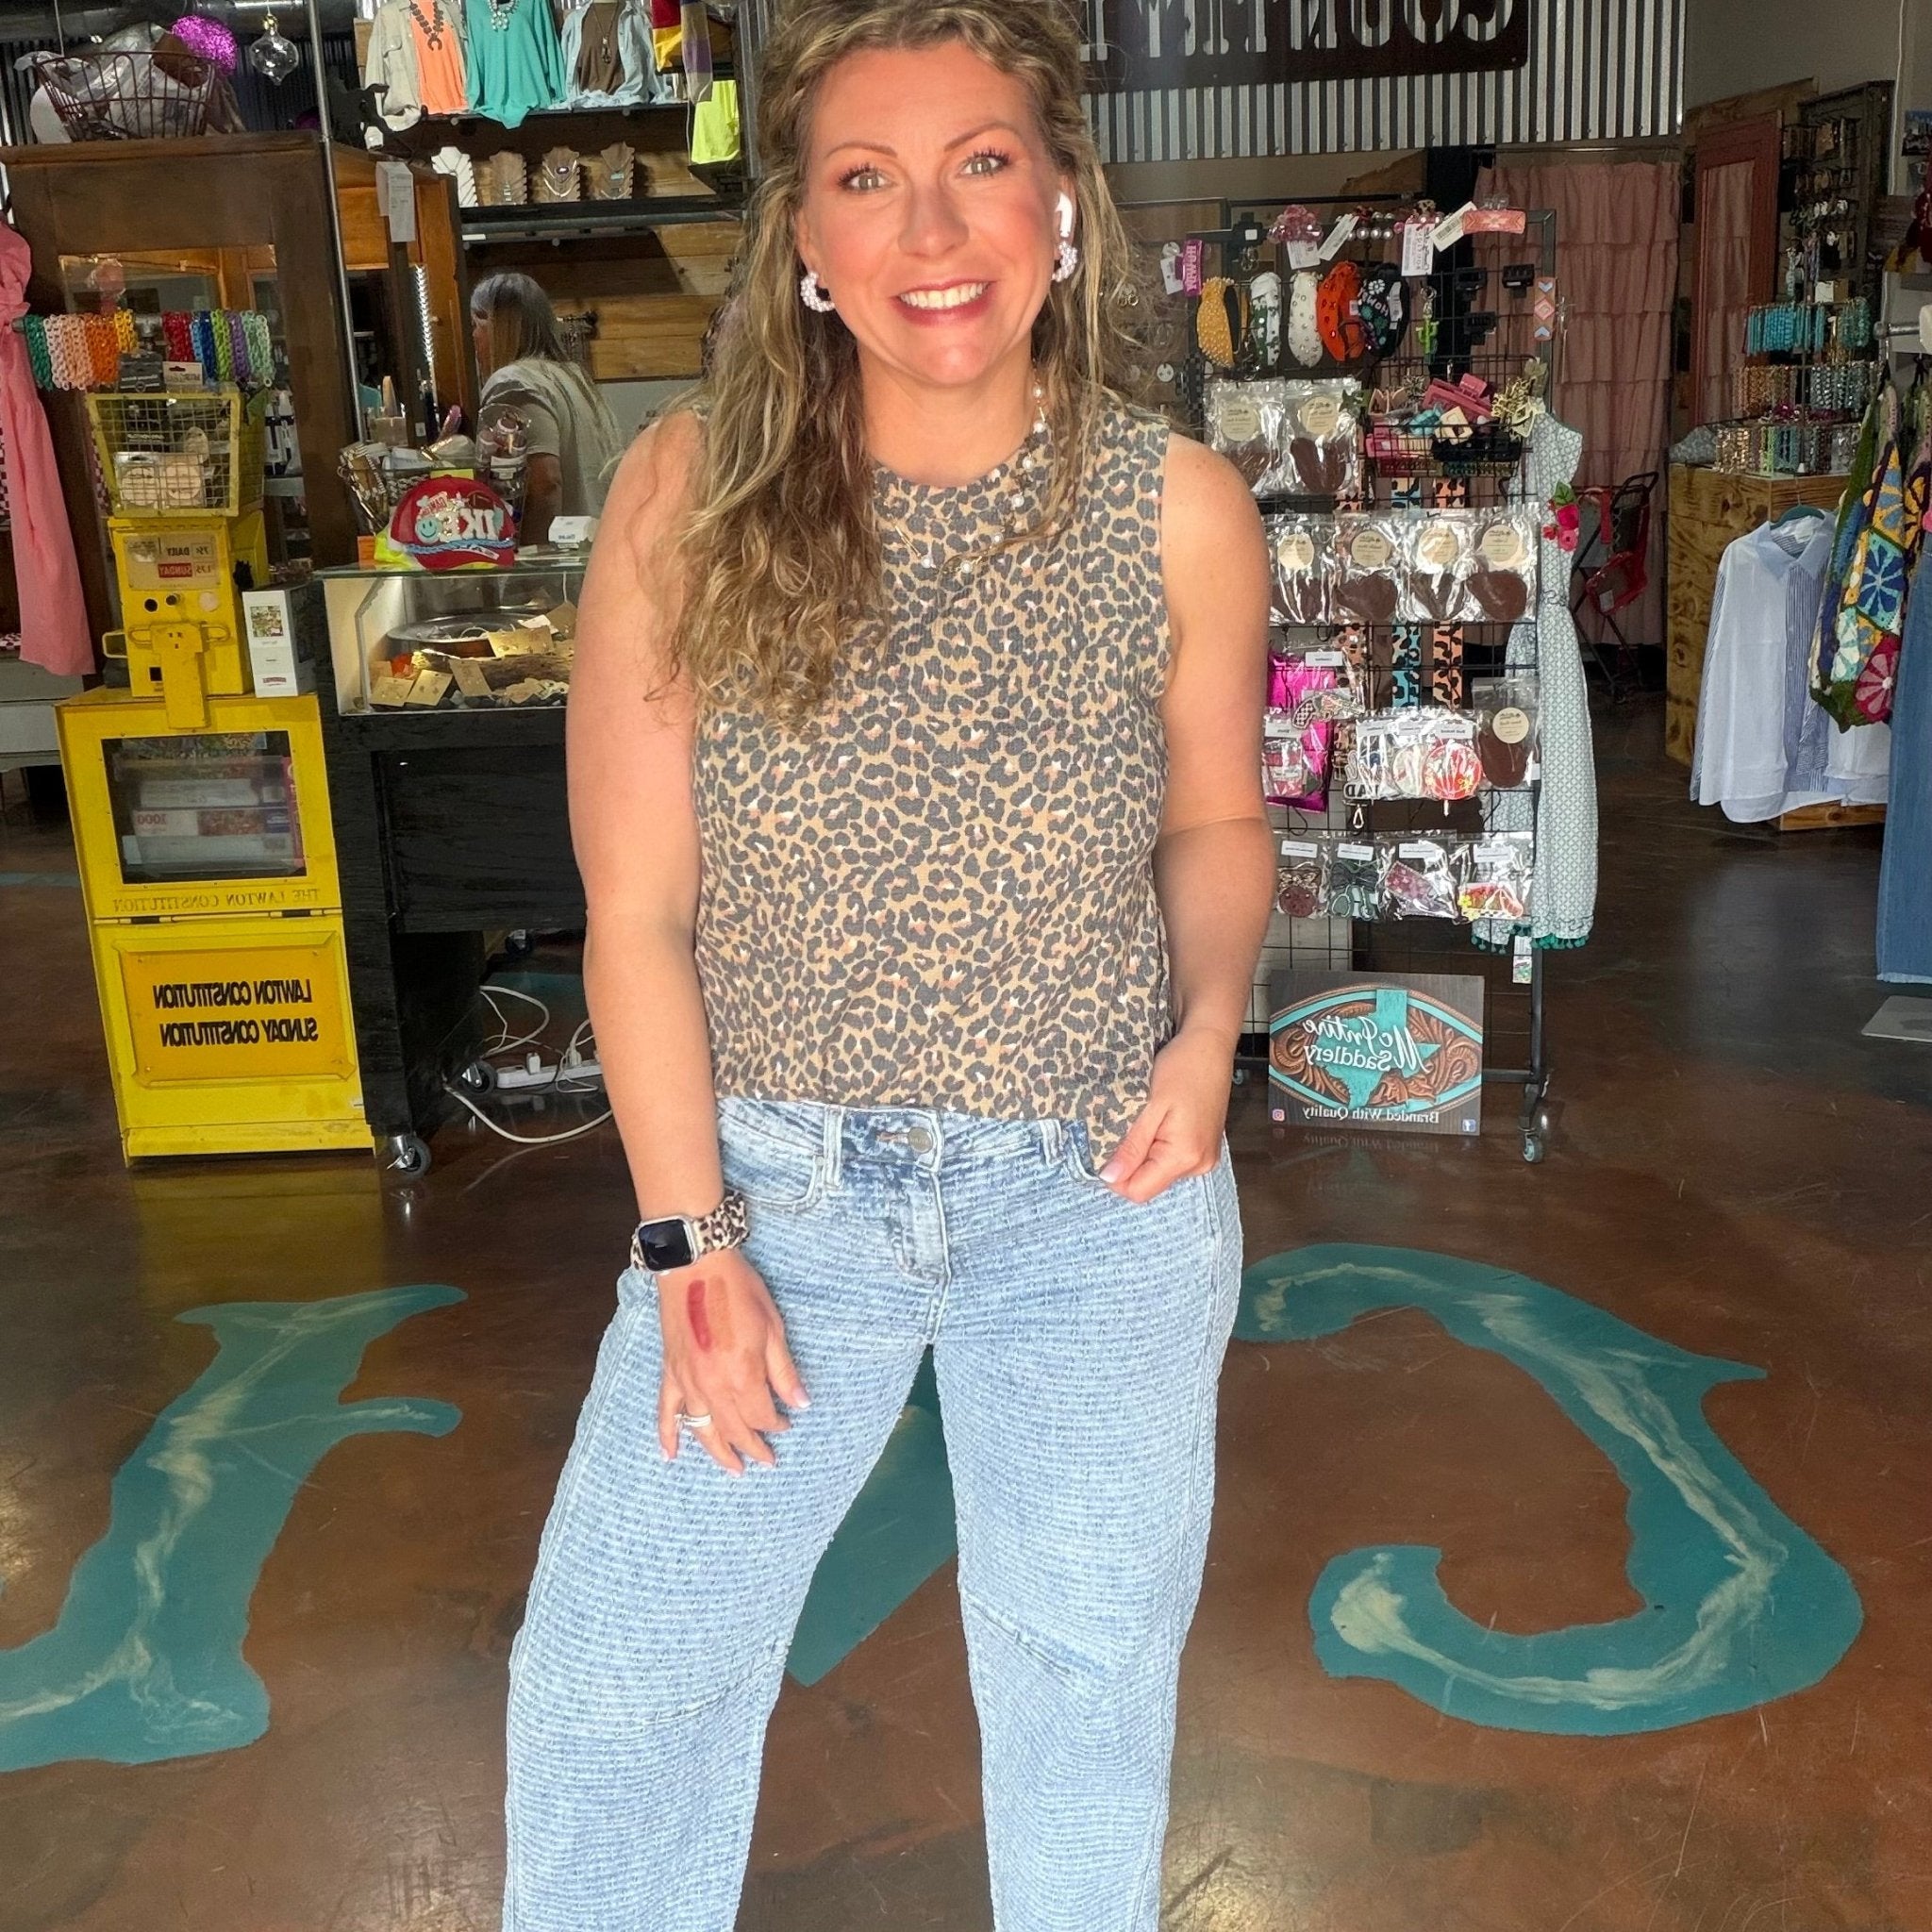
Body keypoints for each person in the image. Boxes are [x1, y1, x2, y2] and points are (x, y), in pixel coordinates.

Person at [504, 1, 1272, 1927]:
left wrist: (1206, 1033)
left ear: (1063, 205)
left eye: (981, 164)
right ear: (804, 243)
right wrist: (689, 1241)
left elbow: (1212, 823)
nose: (932, 230)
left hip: (1097, 1197)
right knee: (615, 1685)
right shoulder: (690, 493)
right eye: (867, 178)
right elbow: (634, 911)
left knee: (1084, 1700)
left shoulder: (1177, 508)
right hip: (768, 1196)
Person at [471, 271, 624, 544]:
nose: (473, 337)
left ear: (495, 324)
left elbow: (545, 484)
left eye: (475, 325)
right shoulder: (574, 378)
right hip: (596, 549)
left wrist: (528, 561)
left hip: (555, 564)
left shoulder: (512, 382)